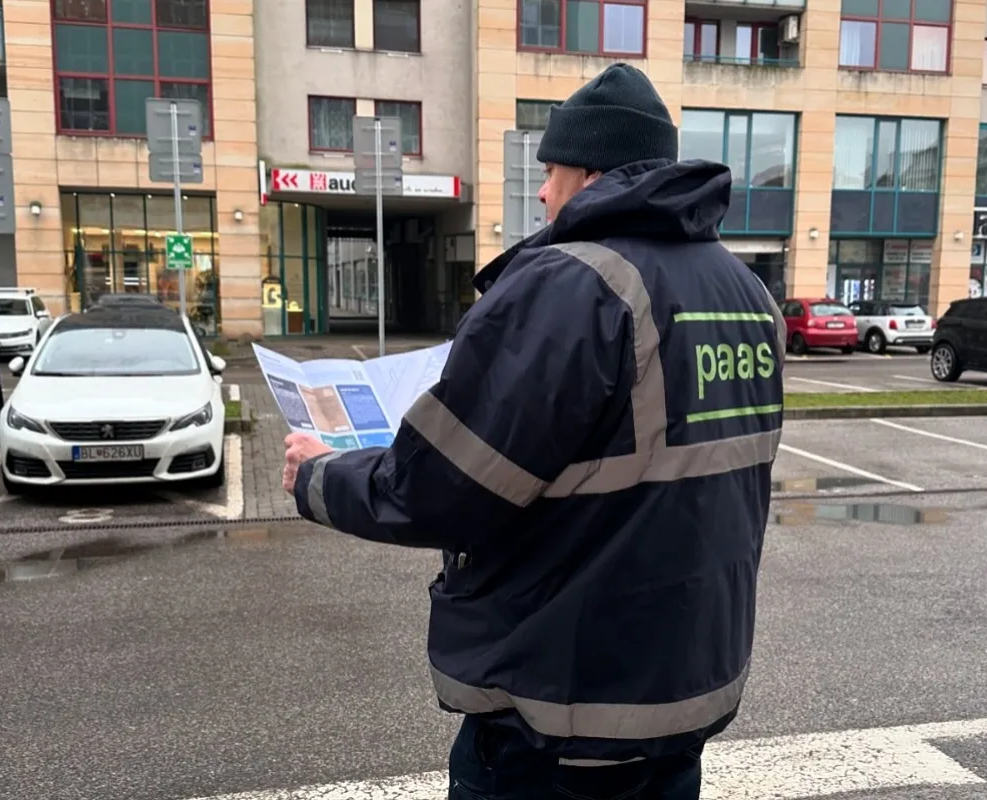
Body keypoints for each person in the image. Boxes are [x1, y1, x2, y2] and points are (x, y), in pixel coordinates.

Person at [283, 63, 786, 800]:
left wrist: (319, 475)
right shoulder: (747, 294)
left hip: (560, 722)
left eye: (551, 172)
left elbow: (440, 489)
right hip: (682, 702)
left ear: (591, 173)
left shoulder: (572, 284)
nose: (544, 193)